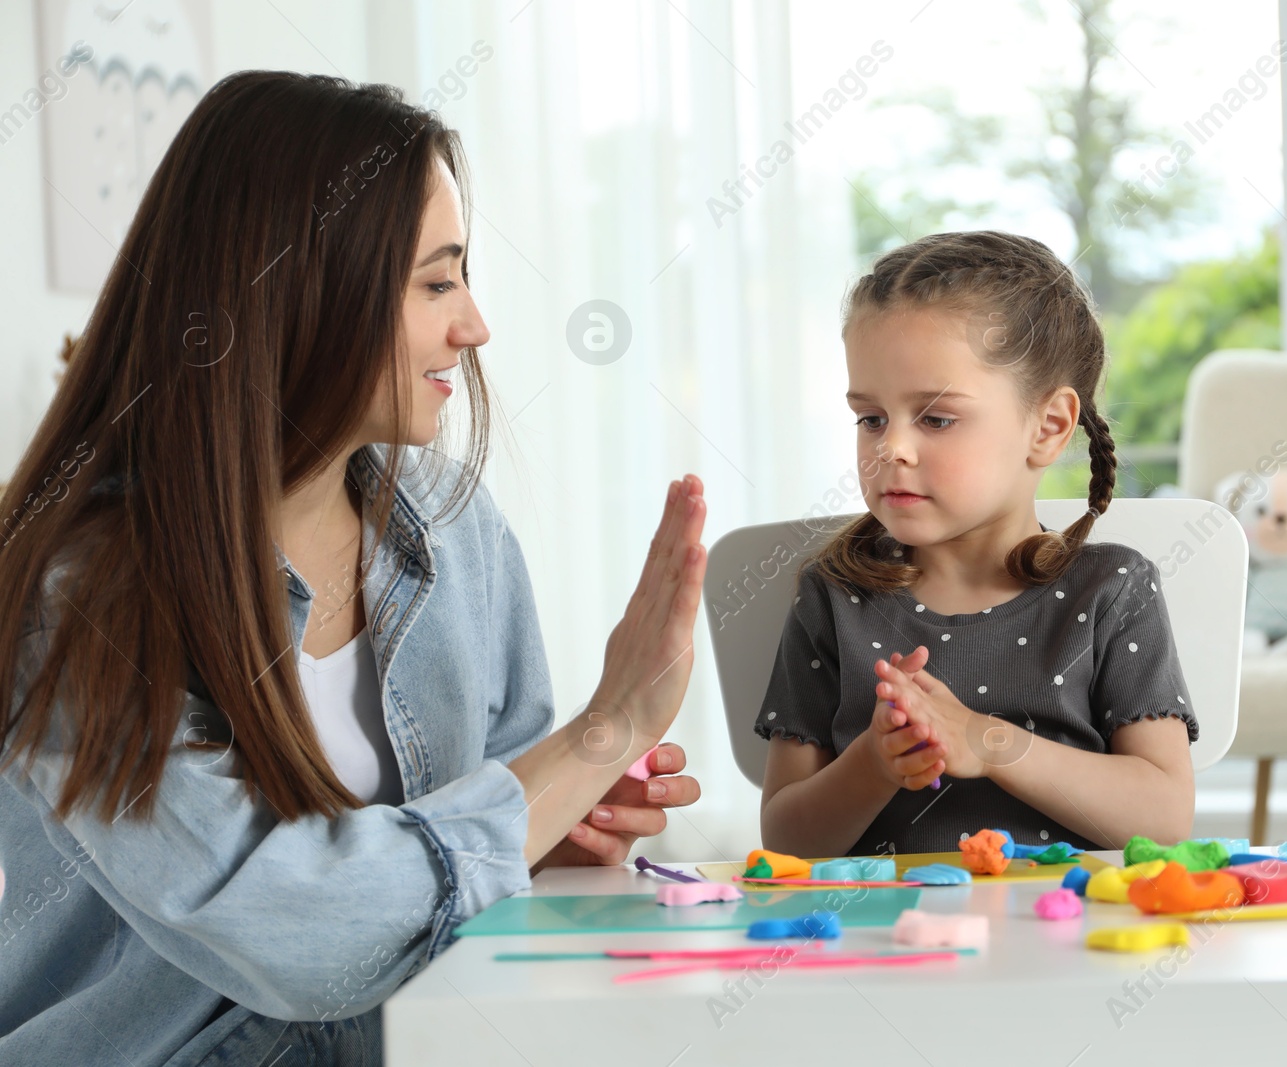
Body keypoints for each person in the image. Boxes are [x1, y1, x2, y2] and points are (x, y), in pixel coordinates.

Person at [0, 71, 706, 1064]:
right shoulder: (82, 598)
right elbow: (289, 929)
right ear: (298, 289)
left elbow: (503, 831)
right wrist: (598, 735)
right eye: (435, 281)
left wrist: (560, 831)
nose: (474, 324)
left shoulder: (456, 527)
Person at [756, 231, 1196, 860]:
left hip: (1067, 942)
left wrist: (986, 743)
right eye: (870, 418)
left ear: (1046, 428)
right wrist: (876, 764)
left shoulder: (1111, 588)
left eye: (936, 419)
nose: (891, 449)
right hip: (883, 945)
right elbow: (787, 839)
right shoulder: (834, 596)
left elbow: (1164, 816)